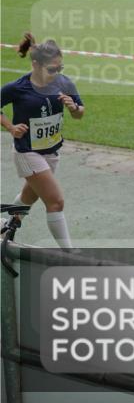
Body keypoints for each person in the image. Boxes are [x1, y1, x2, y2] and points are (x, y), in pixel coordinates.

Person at [0, 33, 84, 251]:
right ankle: (68, 253)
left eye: (60, 68)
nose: (57, 73)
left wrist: (74, 108)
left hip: (52, 152)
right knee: (55, 201)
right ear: (36, 65)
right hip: (27, 153)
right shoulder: (18, 87)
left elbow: (79, 113)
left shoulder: (63, 83)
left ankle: (6, 223)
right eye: (52, 69)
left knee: (29, 197)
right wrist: (10, 127)